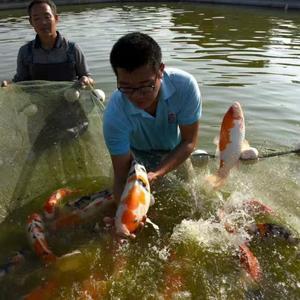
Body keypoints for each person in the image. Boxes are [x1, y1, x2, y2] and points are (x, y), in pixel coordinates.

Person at [103, 32, 202, 204]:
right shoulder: (115, 114)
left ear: (160, 71)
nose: (137, 96)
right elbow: (120, 176)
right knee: (127, 202)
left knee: (191, 198)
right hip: (135, 156)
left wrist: (157, 173)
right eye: (126, 87)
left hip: (175, 150)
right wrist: (123, 213)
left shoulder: (184, 87)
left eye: (145, 86)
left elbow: (189, 142)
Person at [1, 0, 94, 87]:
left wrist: (86, 80)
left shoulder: (72, 49)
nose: (43, 22)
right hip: (39, 103)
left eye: (47, 17)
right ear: (31, 22)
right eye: (37, 19)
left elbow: (88, 77)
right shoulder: (25, 51)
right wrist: (8, 85)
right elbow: (19, 82)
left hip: (71, 102)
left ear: (56, 18)